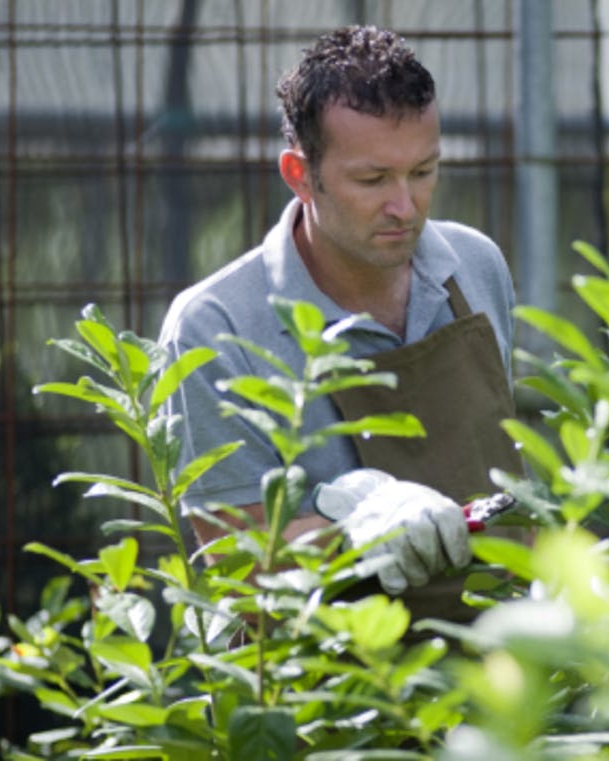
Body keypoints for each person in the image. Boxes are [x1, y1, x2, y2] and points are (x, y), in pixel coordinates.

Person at [158, 25, 523, 622]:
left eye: (424, 171)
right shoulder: (216, 328)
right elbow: (241, 574)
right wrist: (356, 534)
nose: (405, 207)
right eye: (373, 180)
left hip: (499, 670)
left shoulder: (476, 267)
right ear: (300, 175)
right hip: (330, 692)